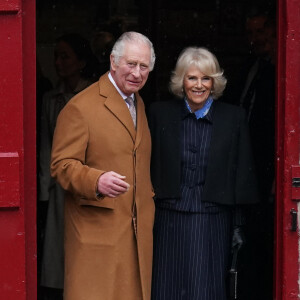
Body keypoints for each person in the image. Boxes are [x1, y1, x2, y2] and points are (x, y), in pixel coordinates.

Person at [50, 31, 156, 300]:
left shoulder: (138, 102)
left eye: (144, 66)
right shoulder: (80, 107)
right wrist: (95, 181)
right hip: (97, 234)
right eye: (130, 64)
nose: (137, 73)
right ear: (113, 61)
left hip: (134, 235)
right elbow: (61, 165)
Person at [148, 47, 259, 300]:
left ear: (214, 82)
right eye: (192, 78)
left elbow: (241, 174)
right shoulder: (159, 114)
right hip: (167, 219)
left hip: (213, 220)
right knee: (165, 287)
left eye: (205, 78)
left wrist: (238, 225)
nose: (199, 85)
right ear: (181, 81)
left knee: (204, 289)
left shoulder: (233, 118)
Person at [38, 33, 100, 300]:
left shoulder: (95, 95)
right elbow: (45, 147)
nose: (59, 62)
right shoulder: (51, 99)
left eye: (66, 56)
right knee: (57, 254)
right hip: (58, 187)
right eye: (56, 56)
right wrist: (43, 192)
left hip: (91, 184)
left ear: (82, 61)